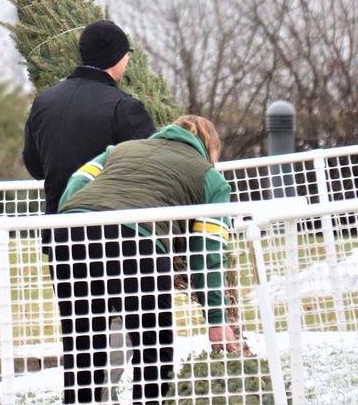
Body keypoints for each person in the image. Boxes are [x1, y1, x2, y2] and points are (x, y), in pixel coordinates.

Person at [52, 115, 238, 404]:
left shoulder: (118, 150)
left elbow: (78, 180)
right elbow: (209, 251)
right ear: (208, 147)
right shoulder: (210, 178)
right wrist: (216, 318)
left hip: (70, 235)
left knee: (83, 344)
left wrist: (71, 217)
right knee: (153, 346)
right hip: (136, 243)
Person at [23, 19, 156, 236]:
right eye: (127, 52)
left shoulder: (44, 101)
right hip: (113, 237)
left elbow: (34, 167)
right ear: (115, 57)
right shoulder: (124, 107)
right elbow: (150, 170)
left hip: (59, 234)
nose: (128, 59)